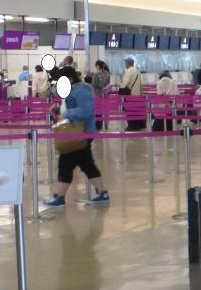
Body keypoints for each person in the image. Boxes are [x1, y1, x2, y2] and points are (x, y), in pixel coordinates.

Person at [44, 67, 110, 208]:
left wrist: (65, 114)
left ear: (70, 79)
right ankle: (102, 193)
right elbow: (71, 107)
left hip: (80, 133)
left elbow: (85, 111)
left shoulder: (80, 91)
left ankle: (60, 197)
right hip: (77, 132)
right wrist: (58, 109)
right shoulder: (73, 90)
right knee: (87, 164)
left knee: (65, 164)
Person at [119, 56, 145, 131]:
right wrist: (141, 92)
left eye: (125, 63)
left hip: (130, 94)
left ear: (128, 63)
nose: (125, 65)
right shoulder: (137, 71)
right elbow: (141, 84)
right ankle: (137, 125)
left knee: (129, 110)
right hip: (137, 94)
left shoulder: (129, 71)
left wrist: (121, 87)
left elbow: (125, 83)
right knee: (136, 111)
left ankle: (131, 126)